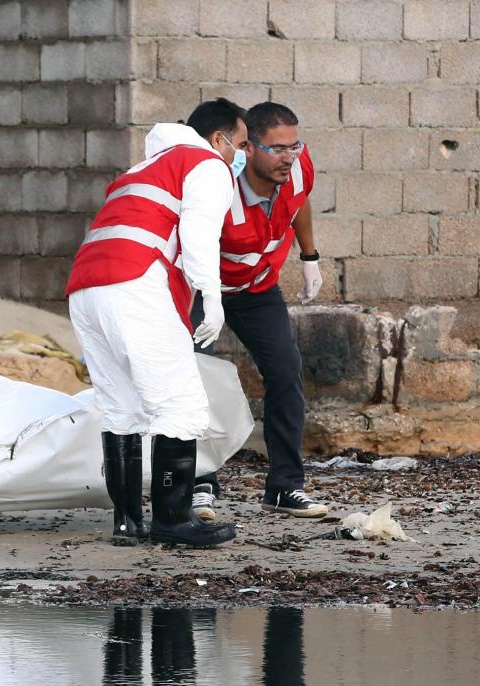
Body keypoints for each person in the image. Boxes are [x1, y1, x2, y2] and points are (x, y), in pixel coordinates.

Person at [65, 98, 250, 547]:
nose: (241, 155)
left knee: (121, 407)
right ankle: (173, 519)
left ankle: (128, 522)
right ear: (217, 139)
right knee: (180, 406)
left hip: (87, 287)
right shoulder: (206, 163)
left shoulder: (140, 170)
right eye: (241, 144)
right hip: (135, 285)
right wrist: (211, 294)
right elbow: (198, 230)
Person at [191, 102, 329, 522]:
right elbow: (193, 243)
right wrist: (204, 299)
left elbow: (300, 199)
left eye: (294, 145)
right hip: (203, 288)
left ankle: (285, 487)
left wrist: (309, 257)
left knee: (286, 370)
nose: (289, 156)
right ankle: (199, 484)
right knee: (198, 379)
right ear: (248, 148)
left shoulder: (297, 166)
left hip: (256, 288)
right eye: (277, 149)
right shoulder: (217, 186)